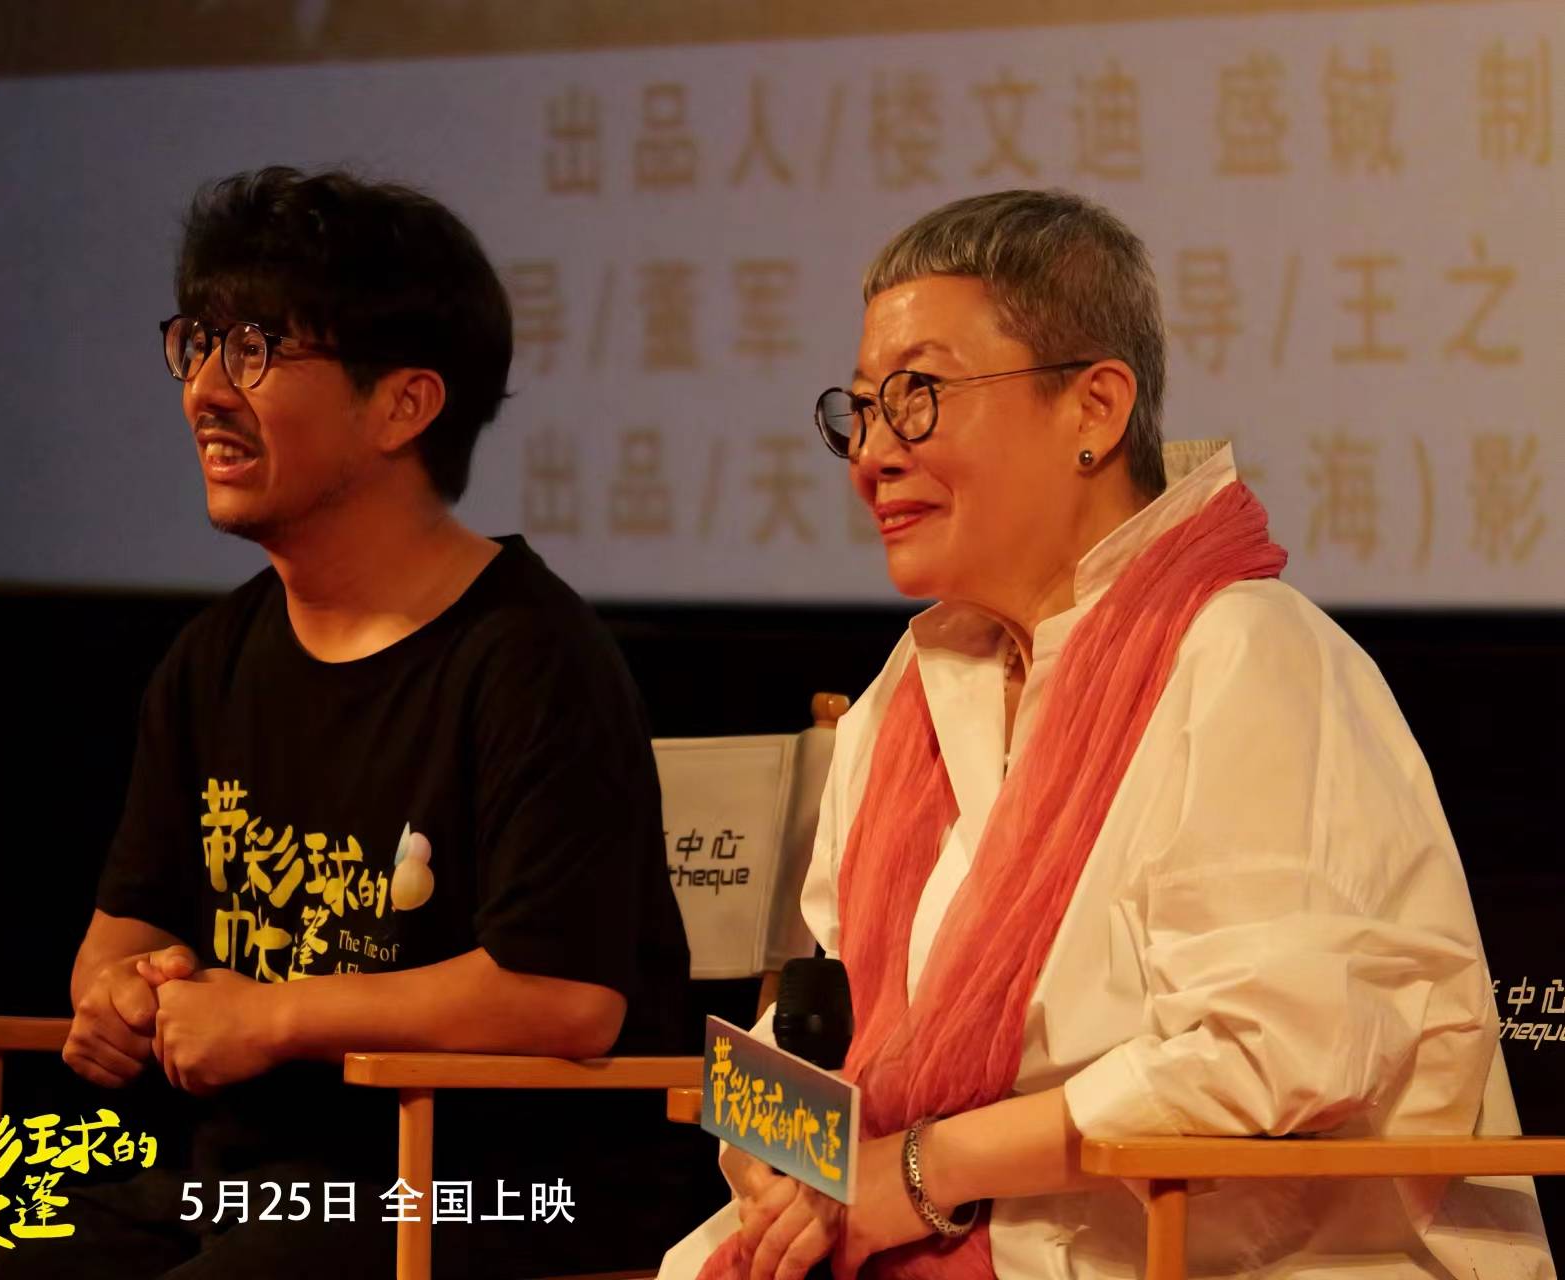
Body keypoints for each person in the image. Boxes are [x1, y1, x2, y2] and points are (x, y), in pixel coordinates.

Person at [663, 189, 1552, 1280]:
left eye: (918, 397)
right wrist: (778, 1159)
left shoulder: (1244, 652)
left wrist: (921, 1173)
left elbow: (1265, 1050)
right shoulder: (908, 687)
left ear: (1092, 408)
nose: (872, 454)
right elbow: (820, 1012)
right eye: (859, 410)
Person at [0, 166, 697, 1279]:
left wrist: (267, 1016)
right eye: (197, 345)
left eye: (255, 349)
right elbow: (123, 929)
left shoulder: (533, 659)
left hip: (497, 1192)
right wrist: (120, 994)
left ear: (404, 404)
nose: (205, 389)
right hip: (255, 1187)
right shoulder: (212, 658)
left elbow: (561, 998)